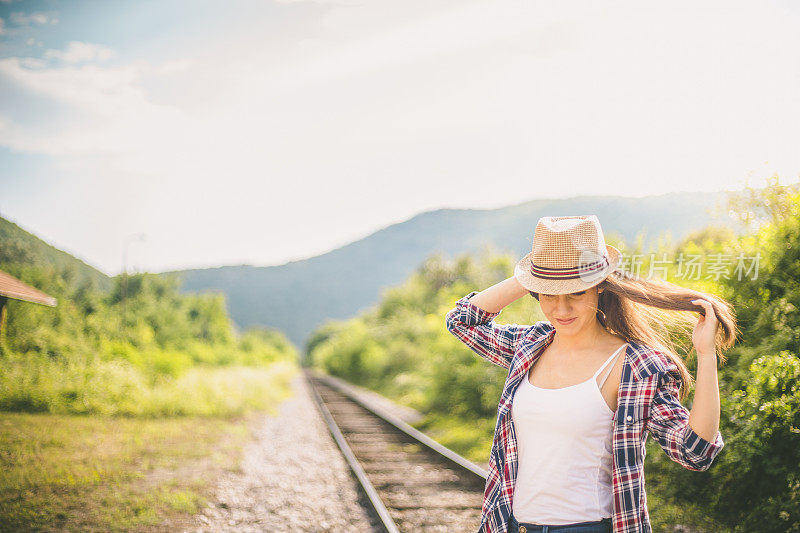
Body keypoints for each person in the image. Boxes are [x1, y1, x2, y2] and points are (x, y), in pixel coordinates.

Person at [445, 215, 737, 533]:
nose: (561, 309)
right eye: (549, 295)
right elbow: (461, 320)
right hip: (516, 526)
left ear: (600, 287)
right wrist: (532, 275)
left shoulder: (636, 366)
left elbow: (696, 452)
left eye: (576, 294)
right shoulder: (529, 345)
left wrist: (706, 355)